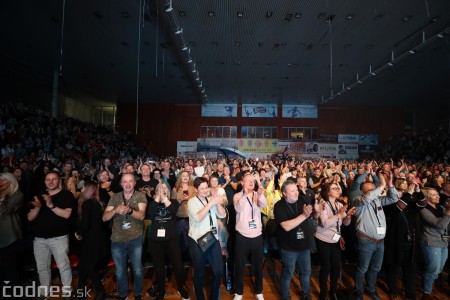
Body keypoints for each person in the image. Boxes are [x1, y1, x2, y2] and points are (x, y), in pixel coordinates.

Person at [27, 171, 75, 299]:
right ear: (44, 182)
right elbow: (30, 218)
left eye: (54, 179)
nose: (51, 181)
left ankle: (67, 292)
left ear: (59, 180)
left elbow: (67, 214)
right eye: (48, 179)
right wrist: (37, 207)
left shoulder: (67, 195)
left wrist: (51, 205)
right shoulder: (38, 196)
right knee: (42, 268)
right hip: (39, 240)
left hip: (59, 238)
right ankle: (44, 293)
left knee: (63, 266)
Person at [352, 171, 398, 300]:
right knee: (363, 268)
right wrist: (381, 185)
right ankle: (358, 291)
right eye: (371, 190)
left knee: (375, 268)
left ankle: (371, 289)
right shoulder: (357, 200)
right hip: (366, 240)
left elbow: (393, 198)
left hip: (380, 241)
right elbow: (367, 198)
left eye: (374, 189)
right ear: (362, 192)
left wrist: (390, 185)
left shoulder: (378, 201)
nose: (375, 191)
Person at [102, 173, 147, 300]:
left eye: (130, 181)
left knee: (137, 270)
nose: (127, 184)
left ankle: (138, 294)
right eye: (125, 181)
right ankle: (123, 295)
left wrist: (130, 210)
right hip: (117, 240)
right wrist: (116, 210)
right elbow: (104, 217)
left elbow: (142, 215)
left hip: (135, 239)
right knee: (120, 271)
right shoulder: (115, 197)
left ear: (134, 183)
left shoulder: (140, 195)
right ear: (121, 184)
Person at [274, 180, 319, 300]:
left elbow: (311, 216)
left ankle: (306, 295)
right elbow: (286, 226)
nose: (296, 193)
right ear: (284, 193)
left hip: (304, 245)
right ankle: (286, 297)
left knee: (306, 273)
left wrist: (317, 212)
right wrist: (304, 215)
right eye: (292, 191)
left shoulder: (302, 200)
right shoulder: (279, 206)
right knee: (288, 274)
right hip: (288, 247)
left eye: (296, 190)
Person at [383, 178, 426, 300]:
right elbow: (399, 207)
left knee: (410, 269)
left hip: (410, 241)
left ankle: (410, 292)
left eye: (407, 184)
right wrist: (409, 193)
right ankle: (393, 290)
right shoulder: (389, 203)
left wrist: (418, 191)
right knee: (394, 268)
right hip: (395, 241)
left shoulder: (410, 201)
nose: (407, 185)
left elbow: (423, 204)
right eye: (404, 183)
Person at [146, 183, 189, 300]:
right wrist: (157, 198)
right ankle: (161, 291)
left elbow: (173, 210)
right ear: (156, 191)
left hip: (171, 240)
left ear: (169, 191)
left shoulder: (173, 202)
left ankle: (181, 287)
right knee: (159, 267)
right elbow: (150, 213)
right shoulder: (152, 203)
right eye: (160, 188)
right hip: (155, 241)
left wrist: (164, 198)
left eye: (165, 188)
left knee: (178, 266)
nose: (162, 189)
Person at [187, 177, 226, 300]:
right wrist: (210, 203)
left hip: (212, 238)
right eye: (202, 188)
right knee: (199, 272)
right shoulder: (191, 202)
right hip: (197, 240)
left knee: (218, 271)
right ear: (196, 189)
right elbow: (198, 217)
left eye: (206, 187)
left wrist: (218, 203)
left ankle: (214, 297)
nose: (205, 190)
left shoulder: (211, 199)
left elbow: (222, 214)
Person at [315, 183, 355, 300]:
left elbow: (345, 224)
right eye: (334, 188)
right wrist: (338, 215)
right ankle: (323, 293)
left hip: (335, 239)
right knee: (326, 267)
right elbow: (325, 223)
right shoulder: (323, 205)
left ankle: (333, 292)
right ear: (327, 192)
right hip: (323, 239)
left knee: (336, 267)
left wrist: (347, 216)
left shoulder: (339, 204)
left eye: (337, 188)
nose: (337, 190)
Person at [232, 173, 267, 300]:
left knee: (258, 265)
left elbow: (264, 205)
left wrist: (261, 194)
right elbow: (238, 209)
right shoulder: (237, 196)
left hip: (257, 235)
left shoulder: (257, 195)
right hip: (242, 236)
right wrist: (245, 194)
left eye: (253, 181)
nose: (251, 183)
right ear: (243, 183)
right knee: (239, 265)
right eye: (248, 181)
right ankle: (239, 292)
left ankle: (259, 291)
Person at [74, 182, 107, 300]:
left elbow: (85, 224)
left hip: (91, 239)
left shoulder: (87, 203)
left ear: (88, 190)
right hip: (98, 238)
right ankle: (80, 292)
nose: (81, 188)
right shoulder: (98, 203)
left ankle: (100, 290)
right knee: (83, 265)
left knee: (88, 266)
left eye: (83, 187)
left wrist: (78, 233)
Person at [419, 187, 450, 299]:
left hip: (443, 243)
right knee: (433, 270)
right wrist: (449, 212)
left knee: (439, 269)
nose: (437, 196)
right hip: (431, 242)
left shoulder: (441, 208)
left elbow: (446, 227)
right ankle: (426, 293)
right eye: (433, 195)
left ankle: (428, 285)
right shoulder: (424, 210)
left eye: (437, 194)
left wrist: (447, 238)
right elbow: (439, 225)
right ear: (426, 197)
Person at [0, 173, 24, 293]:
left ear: (11, 182)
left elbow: (6, 210)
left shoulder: (17, 195)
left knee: (11, 268)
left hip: (10, 238)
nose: (1, 183)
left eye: (3, 181)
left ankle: (13, 293)